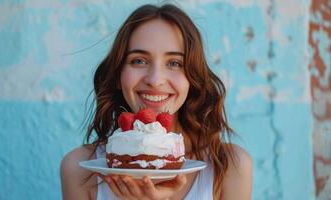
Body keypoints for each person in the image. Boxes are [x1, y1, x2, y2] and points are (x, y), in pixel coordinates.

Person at [61, 3, 252, 200]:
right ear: (118, 74)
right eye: (139, 60)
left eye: (174, 63)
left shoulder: (230, 166)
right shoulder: (80, 169)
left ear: (193, 80)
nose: (155, 80)